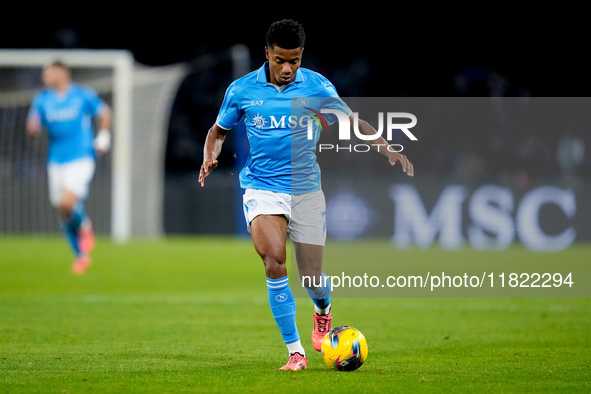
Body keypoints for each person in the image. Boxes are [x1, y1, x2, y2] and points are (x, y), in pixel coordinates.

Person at [199, 19, 414, 371]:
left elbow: (352, 121)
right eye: (280, 60)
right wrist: (211, 155)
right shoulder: (241, 90)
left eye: (294, 60)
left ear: (302, 56)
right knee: (274, 260)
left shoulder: (317, 86)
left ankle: (323, 312)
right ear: (266, 53)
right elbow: (218, 130)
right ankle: (295, 352)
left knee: (312, 277)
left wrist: (386, 147)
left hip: (306, 192)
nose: (287, 68)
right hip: (262, 188)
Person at [26, 61, 112, 274]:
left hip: (81, 156)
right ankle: (81, 256)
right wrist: (33, 129)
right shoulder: (42, 100)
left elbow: (105, 112)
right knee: (63, 210)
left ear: (62, 73)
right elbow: (32, 126)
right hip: (56, 160)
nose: (44, 76)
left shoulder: (82, 95)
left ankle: (84, 226)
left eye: (48, 72)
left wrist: (103, 135)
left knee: (67, 202)